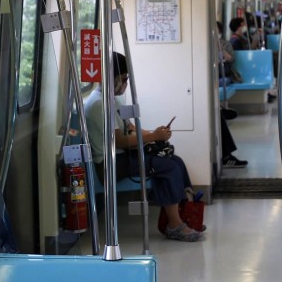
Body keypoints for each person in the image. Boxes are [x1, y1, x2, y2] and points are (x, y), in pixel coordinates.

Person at [84, 53, 203, 242]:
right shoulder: (99, 104)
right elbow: (119, 140)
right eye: (123, 79)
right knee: (167, 167)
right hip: (110, 163)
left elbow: (129, 127)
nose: (125, 84)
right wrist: (152, 136)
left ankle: (185, 209)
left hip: (124, 155)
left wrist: (154, 134)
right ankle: (174, 225)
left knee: (175, 161)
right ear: (111, 78)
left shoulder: (115, 99)